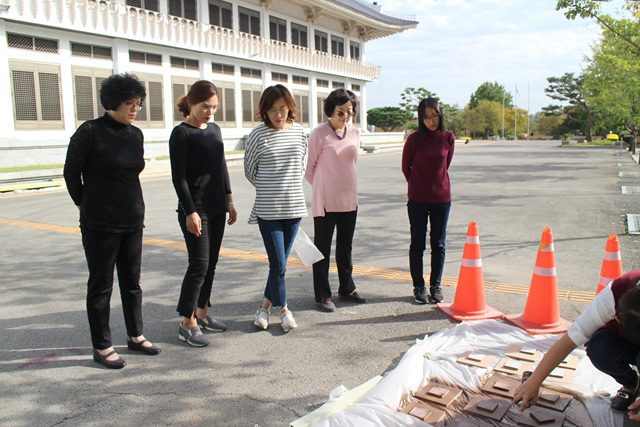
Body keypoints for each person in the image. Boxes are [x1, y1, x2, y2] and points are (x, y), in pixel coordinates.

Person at [63, 73, 160, 369]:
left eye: (138, 104)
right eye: (129, 103)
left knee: (132, 283)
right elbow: (71, 172)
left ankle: (135, 335)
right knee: (101, 284)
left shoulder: (136, 135)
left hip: (132, 219)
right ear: (112, 102)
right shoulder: (90, 131)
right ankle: (102, 346)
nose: (134, 109)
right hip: (100, 223)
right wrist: (85, 203)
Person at [514, 270, 640, 419]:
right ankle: (631, 384)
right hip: (623, 340)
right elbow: (569, 340)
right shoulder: (613, 295)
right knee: (599, 347)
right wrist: (534, 381)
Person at [169, 80, 237, 347]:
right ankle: (187, 323)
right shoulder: (181, 133)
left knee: (211, 266)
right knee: (198, 265)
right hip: (195, 210)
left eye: (214, 107)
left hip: (217, 207)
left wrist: (229, 200)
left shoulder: (215, 129)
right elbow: (179, 178)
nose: (210, 112)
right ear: (191, 103)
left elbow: (221, 166)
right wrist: (190, 211)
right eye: (205, 106)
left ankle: (203, 313)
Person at [244, 84, 307, 333]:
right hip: (268, 209)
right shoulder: (258, 135)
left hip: (294, 207)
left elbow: (301, 166)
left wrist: (287, 184)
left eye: (283, 108)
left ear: (290, 107)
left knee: (277, 265)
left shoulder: (300, 132)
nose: (278, 114)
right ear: (264, 112)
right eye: (272, 110)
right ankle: (284, 310)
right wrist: (271, 186)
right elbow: (250, 171)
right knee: (278, 264)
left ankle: (263, 308)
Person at [305, 88, 365, 312]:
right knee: (322, 248)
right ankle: (322, 294)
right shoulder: (319, 134)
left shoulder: (356, 134)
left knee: (345, 247)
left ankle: (346, 288)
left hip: (349, 199)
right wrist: (323, 189)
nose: (345, 117)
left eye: (349, 112)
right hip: (325, 201)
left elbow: (352, 164)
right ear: (331, 110)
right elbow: (309, 168)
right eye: (341, 112)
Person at [401, 97, 455, 305]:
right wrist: (417, 185)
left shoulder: (448, 137)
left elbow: (445, 165)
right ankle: (419, 286)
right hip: (417, 199)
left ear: (440, 115)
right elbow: (406, 167)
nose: (431, 121)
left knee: (438, 244)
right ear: (420, 119)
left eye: (434, 116)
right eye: (426, 117)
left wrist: (435, 184)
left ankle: (435, 285)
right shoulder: (414, 139)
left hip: (442, 199)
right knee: (417, 243)